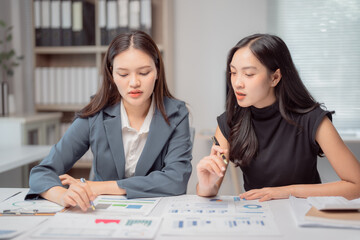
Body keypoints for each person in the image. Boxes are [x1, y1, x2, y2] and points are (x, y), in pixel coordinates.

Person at [26, 30, 192, 211]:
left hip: (157, 215)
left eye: (144, 73)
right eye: (123, 74)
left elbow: (176, 180)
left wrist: (99, 186)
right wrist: (62, 195)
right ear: (112, 74)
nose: (134, 83)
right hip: (101, 216)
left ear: (157, 71)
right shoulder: (96, 114)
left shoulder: (177, 113)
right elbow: (41, 173)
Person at [196, 33, 360, 201]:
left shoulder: (312, 119)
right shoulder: (229, 122)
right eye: (233, 72)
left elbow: (356, 185)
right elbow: (210, 189)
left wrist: (286, 192)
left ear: (274, 77)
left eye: (249, 74)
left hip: (305, 217)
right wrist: (207, 184)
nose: (237, 83)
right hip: (258, 217)